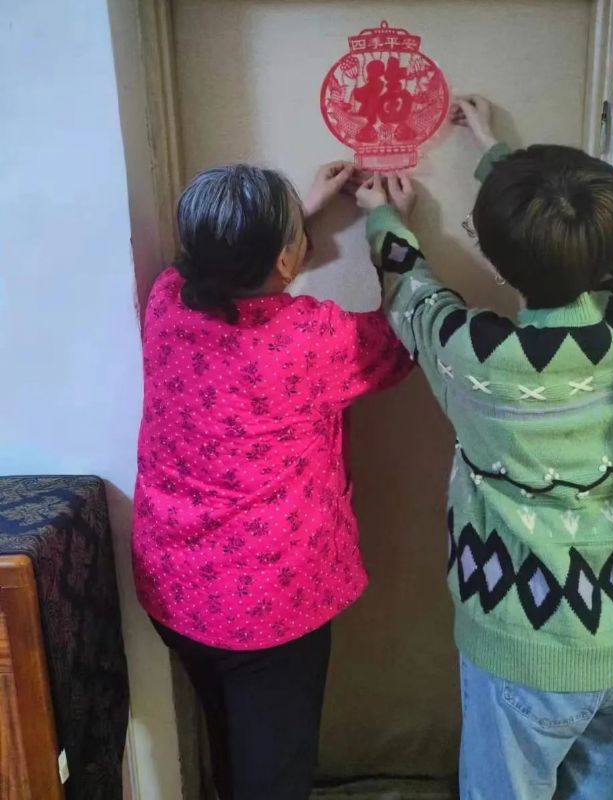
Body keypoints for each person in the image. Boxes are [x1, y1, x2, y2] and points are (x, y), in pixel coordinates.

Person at [355, 97, 613, 800]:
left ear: (498, 262)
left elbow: (413, 297)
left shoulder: (477, 355)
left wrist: (383, 218)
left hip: (525, 645)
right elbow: (579, 241)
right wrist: (498, 156)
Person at [132, 161, 411, 800]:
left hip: (176, 590)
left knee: (231, 743)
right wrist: (388, 228)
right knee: (273, 772)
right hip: (268, 610)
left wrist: (296, 221)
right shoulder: (312, 338)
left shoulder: (167, 303)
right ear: (286, 259)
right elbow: (402, 340)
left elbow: (220, 269)